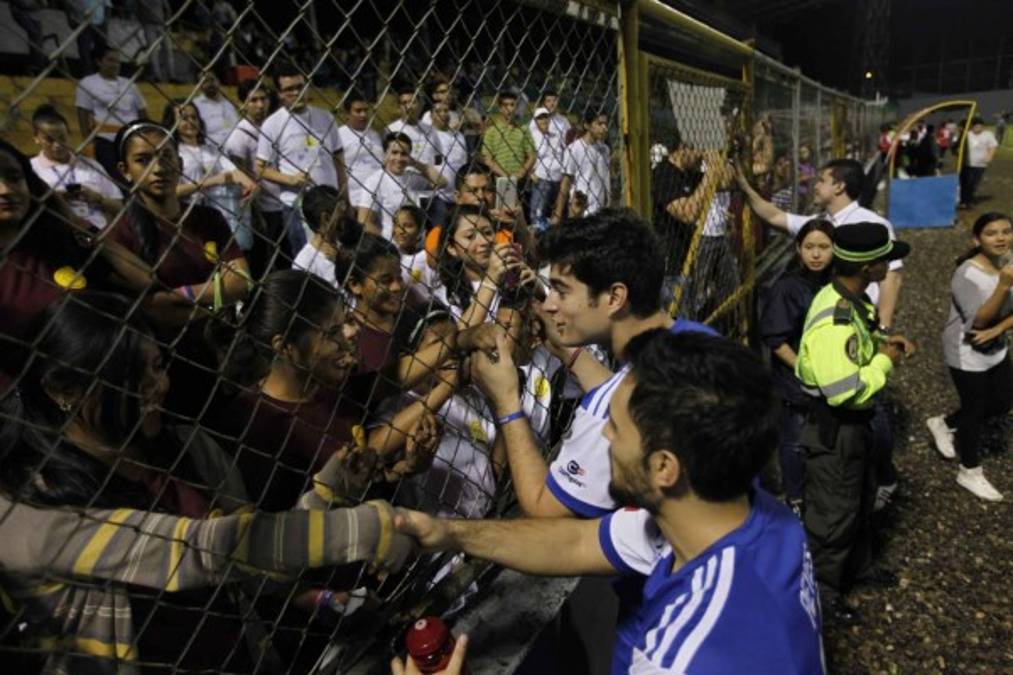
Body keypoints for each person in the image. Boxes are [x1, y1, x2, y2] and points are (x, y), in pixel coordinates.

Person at [0, 292, 414, 673]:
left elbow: (253, 555)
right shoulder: (37, 509)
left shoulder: (187, 448)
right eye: (133, 379)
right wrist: (368, 528)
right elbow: (199, 549)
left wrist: (329, 492)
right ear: (64, 390)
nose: (158, 388)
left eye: (158, 367)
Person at [395, 329, 825, 674]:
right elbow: (576, 543)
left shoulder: (679, 656)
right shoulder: (748, 517)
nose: (604, 437)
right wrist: (447, 532)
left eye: (616, 429)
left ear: (663, 467)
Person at [737, 158, 905, 503]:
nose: (814, 185)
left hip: (859, 339)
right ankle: (812, 498)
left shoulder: (871, 225)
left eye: (821, 180)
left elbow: (893, 277)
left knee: (859, 418)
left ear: (839, 186)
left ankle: (865, 483)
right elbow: (771, 215)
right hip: (825, 362)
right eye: (809, 247)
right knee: (814, 431)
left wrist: (882, 330)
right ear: (800, 249)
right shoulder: (820, 231)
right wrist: (741, 181)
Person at [209, 270, 438, 510]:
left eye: (344, 325)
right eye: (332, 333)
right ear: (286, 347)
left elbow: (386, 380)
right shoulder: (255, 427)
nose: (348, 335)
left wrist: (404, 469)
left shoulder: (325, 384)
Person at [794, 222, 915, 621]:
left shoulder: (852, 300)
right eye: (884, 259)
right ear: (868, 267)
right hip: (836, 429)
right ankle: (823, 597)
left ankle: (857, 568)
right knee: (831, 516)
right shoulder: (836, 319)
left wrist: (882, 344)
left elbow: (857, 351)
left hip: (853, 428)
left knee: (859, 500)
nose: (889, 264)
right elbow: (843, 389)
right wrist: (886, 361)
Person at [0, 138, 150, 389]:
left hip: (96, 389)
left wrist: (71, 219)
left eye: (15, 178)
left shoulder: (54, 246)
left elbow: (143, 278)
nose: (5, 189)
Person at [926, 212, 1013, 501]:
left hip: (996, 344)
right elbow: (978, 322)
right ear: (977, 239)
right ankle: (969, 470)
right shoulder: (967, 274)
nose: (1001, 238)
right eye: (991, 233)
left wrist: (1000, 327)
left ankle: (945, 422)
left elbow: (998, 320)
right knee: (974, 409)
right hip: (966, 351)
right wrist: (1003, 285)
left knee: (1002, 401)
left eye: (1006, 231)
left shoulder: (1008, 262)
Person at [760, 220, 835, 512]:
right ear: (798, 249)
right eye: (809, 247)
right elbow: (776, 339)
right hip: (795, 383)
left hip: (829, 378)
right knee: (793, 441)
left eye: (823, 247)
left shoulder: (836, 282)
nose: (816, 255)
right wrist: (804, 370)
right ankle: (796, 498)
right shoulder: (788, 288)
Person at [257, 64, 344, 255]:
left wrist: (345, 196)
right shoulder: (272, 124)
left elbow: (339, 159)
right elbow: (260, 168)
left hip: (331, 201)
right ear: (279, 94)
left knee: (338, 255)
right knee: (306, 257)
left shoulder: (325, 117)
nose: (297, 92)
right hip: (297, 205)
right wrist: (290, 179)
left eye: (300, 86)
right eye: (289, 89)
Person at [162, 100, 258, 251]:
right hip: (189, 217)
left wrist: (250, 186)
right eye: (183, 118)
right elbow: (173, 190)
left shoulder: (211, 150)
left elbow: (234, 172)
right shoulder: (173, 153)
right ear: (172, 123)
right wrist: (212, 181)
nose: (191, 122)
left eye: (194, 117)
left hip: (218, 215)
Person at [224, 78, 288, 275]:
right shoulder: (239, 137)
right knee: (267, 260)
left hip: (285, 199)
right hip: (263, 207)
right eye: (253, 100)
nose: (260, 105)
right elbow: (241, 174)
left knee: (287, 255)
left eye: (263, 99)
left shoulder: (273, 125)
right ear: (243, 103)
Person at [29, 104, 123, 230]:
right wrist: (54, 199)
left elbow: (120, 206)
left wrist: (98, 199)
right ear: (36, 139)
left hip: (99, 233)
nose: (57, 145)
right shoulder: (31, 169)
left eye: (62, 138)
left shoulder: (91, 165)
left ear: (69, 134)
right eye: (49, 140)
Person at [74, 44, 148, 180]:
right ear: (98, 62)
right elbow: (82, 112)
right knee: (115, 176)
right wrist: (88, 140)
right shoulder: (88, 83)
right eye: (110, 60)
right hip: (105, 139)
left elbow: (142, 110)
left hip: (131, 137)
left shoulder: (129, 84)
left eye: (117, 61)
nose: (115, 65)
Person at [355, 132, 446, 240]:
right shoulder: (374, 181)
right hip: (391, 244)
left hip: (417, 242)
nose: (399, 158)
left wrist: (415, 163)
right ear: (385, 154)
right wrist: (386, 243)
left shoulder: (412, 178)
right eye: (394, 152)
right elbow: (364, 221)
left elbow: (441, 182)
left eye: (404, 154)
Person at [293, 184, 359, 287]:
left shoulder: (348, 241)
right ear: (326, 219)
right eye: (341, 213)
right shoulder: (304, 262)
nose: (346, 218)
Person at [553, 111, 610, 222]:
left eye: (606, 124)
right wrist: (557, 215)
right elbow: (565, 184)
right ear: (587, 125)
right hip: (581, 212)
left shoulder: (604, 149)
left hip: (600, 212)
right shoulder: (574, 149)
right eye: (599, 124)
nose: (604, 128)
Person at [337, 90, 384, 214]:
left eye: (366, 110)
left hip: (379, 201)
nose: (363, 115)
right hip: (354, 202)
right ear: (347, 113)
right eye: (358, 111)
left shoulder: (375, 135)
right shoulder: (339, 136)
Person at [479, 91, 536, 187]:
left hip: (520, 180)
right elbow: (487, 159)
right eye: (506, 105)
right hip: (499, 180)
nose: (510, 109)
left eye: (512, 105)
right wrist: (505, 176)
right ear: (500, 108)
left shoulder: (523, 129)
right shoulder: (492, 131)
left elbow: (532, 155)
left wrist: (520, 174)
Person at [428, 99, 469, 230]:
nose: (443, 114)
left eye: (446, 110)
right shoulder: (428, 136)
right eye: (438, 111)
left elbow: (464, 161)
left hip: (459, 195)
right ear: (431, 115)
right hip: (439, 195)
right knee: (439, 231)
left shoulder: (459, 136)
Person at [529, 106, 566, 231]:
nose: (544, 120)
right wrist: (531, 172)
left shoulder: (556, 135)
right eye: (540, 118)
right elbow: (527, 155)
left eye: (546, 117)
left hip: (558, 178)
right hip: (542, 177)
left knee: (555, 210)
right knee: (539, 211)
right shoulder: (533, 136)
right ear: (535, 121)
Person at [192, 69, 240, 148]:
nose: (210, 84)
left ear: (218, 81)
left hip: (235, 147)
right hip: (210, 149)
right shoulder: (195, 105)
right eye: (205, 81)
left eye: (212, 80)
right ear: (199, 85)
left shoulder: (228, 103)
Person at [959, 117, 999, 209]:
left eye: (979, 126)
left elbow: (993, 146)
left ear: (982, 126)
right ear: (971, 126)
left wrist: (989, 157)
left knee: (973, 183)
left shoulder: (988, 134)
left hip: (980, 165)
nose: (977, 128)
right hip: (966, 164)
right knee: (964, 183)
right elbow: (958, 145)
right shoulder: (967, 134)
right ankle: (963, 200)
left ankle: (969, 201)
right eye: (975, 126)